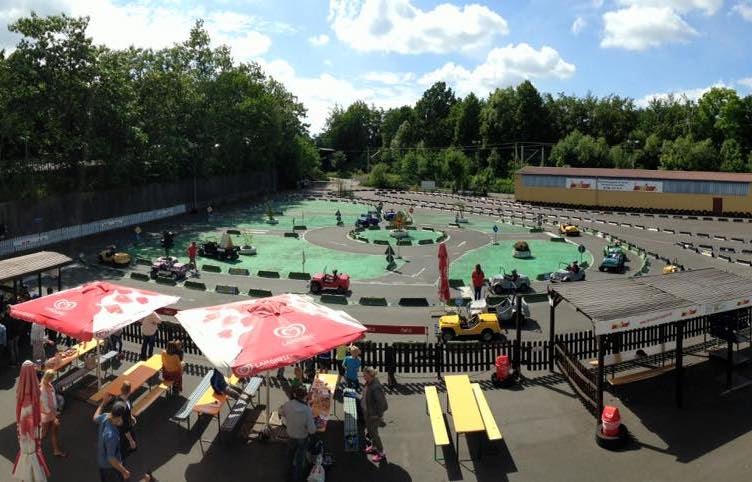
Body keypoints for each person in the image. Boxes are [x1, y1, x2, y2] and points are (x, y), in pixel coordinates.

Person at [279, 386, 316, 482]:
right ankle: (298, 479)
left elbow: (280, 411)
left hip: (291, 435)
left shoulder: (288, 405)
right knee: (299, 460)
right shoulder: (307, 410)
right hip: (302, 438)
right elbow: (312, 430)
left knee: (290, 456)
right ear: (304, 397)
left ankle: (287, 475)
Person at [93, 395, 130, 482]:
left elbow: (95, 418)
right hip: (110, 468)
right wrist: (124, 471)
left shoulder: (106, 416)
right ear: (119, 417)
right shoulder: (111, 435)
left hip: (102, 462)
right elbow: (111, 458)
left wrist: (103, 404)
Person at [362, 367, 388, 463]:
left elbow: (381, 403)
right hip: (369, 414)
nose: (363, 376)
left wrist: (378, 415)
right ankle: (373, 447)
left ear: (370, 375)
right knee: (371, 431)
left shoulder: (375, 387)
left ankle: (381, 452)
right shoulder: (369, 382)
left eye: (365, 375)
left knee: (374, 434)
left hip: (373, 415)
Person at [40, 370, 66, 457]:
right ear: (49, 378)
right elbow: (45, 406)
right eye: (52, 378)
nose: (52, 379)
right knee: (44, 434)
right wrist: (54, 417)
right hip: (47, 416)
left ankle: (56, 450)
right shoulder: (43, 389)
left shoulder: (48, 384)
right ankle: (34, 447)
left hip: (52, 413)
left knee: (53, 432)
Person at [118, 382, 137, 459]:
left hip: (127, 426)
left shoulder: (126, 399)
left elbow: (128, 411)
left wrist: (131, 416)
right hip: (123, 432)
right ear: (129, 391)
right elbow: (125, 428)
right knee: (125, 448)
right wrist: (131, 440)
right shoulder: (121, 406)